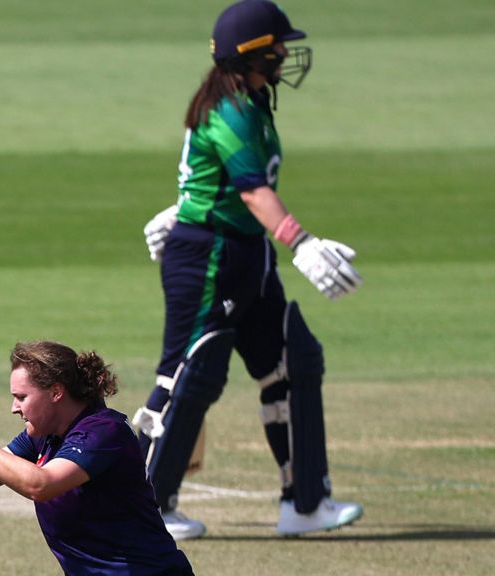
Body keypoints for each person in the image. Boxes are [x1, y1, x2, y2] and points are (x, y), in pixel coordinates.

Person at [134, 0, 364, 540]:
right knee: (190, 373)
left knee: (292, 359)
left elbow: (218, 177)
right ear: (254, 53)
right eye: (278, 46)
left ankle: (305, 502)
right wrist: (300, 243)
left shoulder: (248, 100)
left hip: (244, 249)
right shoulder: (230, 109)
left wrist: (189, 202)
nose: (287, 53)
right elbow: (252, 189)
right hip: (209, 255)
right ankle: (144, 509)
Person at [0, 341, 194, 576]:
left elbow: (40, 485)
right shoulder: (43, 434)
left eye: (21, 397)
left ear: (56, 392)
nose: (13, 408)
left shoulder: (104, 431)